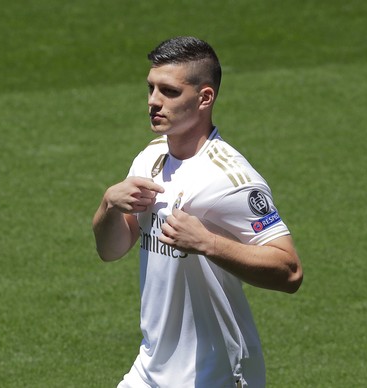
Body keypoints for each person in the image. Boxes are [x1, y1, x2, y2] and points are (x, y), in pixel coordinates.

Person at [92, 36, 303, 388]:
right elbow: (110, 250)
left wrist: (207, 243)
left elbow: (290, 271)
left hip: (216, 375)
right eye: (151, 88)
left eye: (169, 92)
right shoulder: (150, 157)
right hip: (151, 368)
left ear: (205, 97)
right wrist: (109, 205)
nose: (153, 101)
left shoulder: (231, 178)